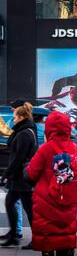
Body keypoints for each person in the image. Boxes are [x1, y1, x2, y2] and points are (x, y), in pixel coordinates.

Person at [25, 111, 77, 256]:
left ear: (49, 129)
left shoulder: (45, 149)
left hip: (46, 210)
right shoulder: (74, 148)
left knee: (49, 247)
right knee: (66, 245)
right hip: (68, 206)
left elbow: (31, 174)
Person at [0, 103, 36, 248]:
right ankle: (14, 234)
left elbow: (19, 157)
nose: (13, 119)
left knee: (29, 209)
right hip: (18, 177)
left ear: (21, 117)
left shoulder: (25, 133)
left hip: (22, 178)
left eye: (15, 116)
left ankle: (36, 238)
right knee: (10, 203)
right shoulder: (22, 131)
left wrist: (6, 173)